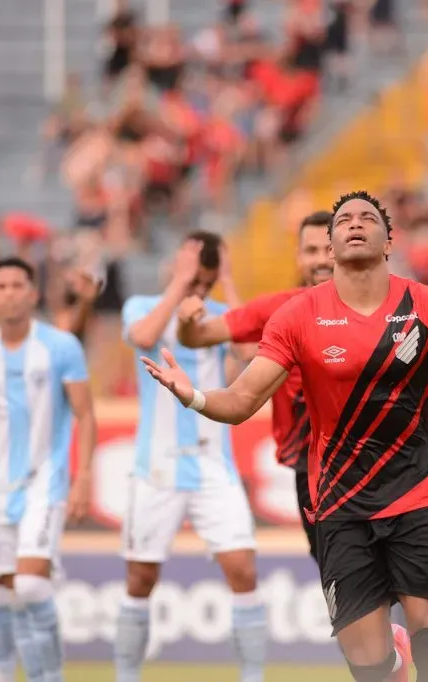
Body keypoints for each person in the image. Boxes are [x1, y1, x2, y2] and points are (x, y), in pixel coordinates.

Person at [141, 191, 428, 682]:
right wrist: (195, 396)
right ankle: (390, 659)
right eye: (344, 221)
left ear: (389, 240)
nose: (355, 225)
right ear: (330, 246)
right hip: (341, 504)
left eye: (367, 219)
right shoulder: (295, 315)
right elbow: (243, 399)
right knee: (372, 668)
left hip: (420, 496)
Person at [116, 232, 266, 682]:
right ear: (176, 263)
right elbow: (142, 336)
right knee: (140, 578)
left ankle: (253, 677)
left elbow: (252, 354)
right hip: (155, 467)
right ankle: (126, 676)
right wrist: (179, 285)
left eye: (205, 275)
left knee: (242, 569)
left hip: (211, 465)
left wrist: (229, 283)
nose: (198, 284)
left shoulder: (219, 314)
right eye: (192, 271)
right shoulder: (143, 307)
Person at [0, 258, 96, 682]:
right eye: (1, 285)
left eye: (18, 285)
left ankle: (47, 677)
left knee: (30, 588)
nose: (10, 292)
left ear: (33, 294)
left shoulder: (61, 346)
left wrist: (83, 475)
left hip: (44, 484)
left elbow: (85, 414)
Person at [175, 210, 333, 561]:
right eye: (311, 251)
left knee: (388, 576)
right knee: (335, 574)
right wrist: (187, 322)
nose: (321, 260)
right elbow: (203, 337)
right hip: (311, 468)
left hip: (374, 461)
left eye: (328, 249)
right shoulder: (279, 309)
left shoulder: (381, 308)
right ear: (298, 256)